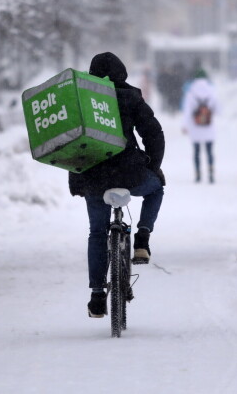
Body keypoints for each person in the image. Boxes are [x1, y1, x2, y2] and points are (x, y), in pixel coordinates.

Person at [69, 52, 165, 318]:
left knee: (97, 233)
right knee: (156, 188)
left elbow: (73, 146)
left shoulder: (82, 101)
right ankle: (142, 239)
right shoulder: (130, 96)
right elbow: (153, 133)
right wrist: (153, 166)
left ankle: (97, 296)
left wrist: (77, 180)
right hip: (130, 174)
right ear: (121, 72)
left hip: (94, 178)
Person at [182, 69, 218, 184]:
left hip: (195, 126)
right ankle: (211, 172)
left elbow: (187, 111)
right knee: (209, 151)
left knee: (196, 152)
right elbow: (218, 109)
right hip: (208, 126)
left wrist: (185, 125)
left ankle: (197, 174)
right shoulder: (212, 91)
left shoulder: (191, 92)